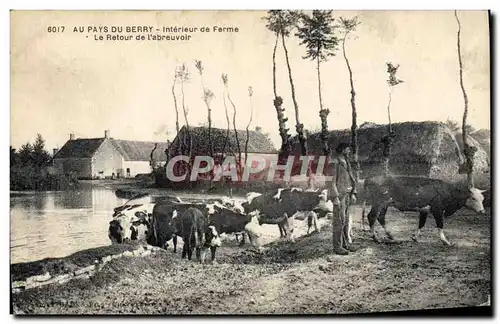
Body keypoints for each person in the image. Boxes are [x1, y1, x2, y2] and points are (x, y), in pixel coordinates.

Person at [328, 142, 359, 255]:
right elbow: (331, 182)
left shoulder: (346, 162)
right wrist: (335, 197)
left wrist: (353, 192)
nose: (349, 151)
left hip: (347, 195)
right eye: (347, 149)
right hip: (339, 196)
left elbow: (351, 178)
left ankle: (345, 244)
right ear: (342, 149)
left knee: (345, 221)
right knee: (338, 222)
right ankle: (337, 247)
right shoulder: (334, 162)